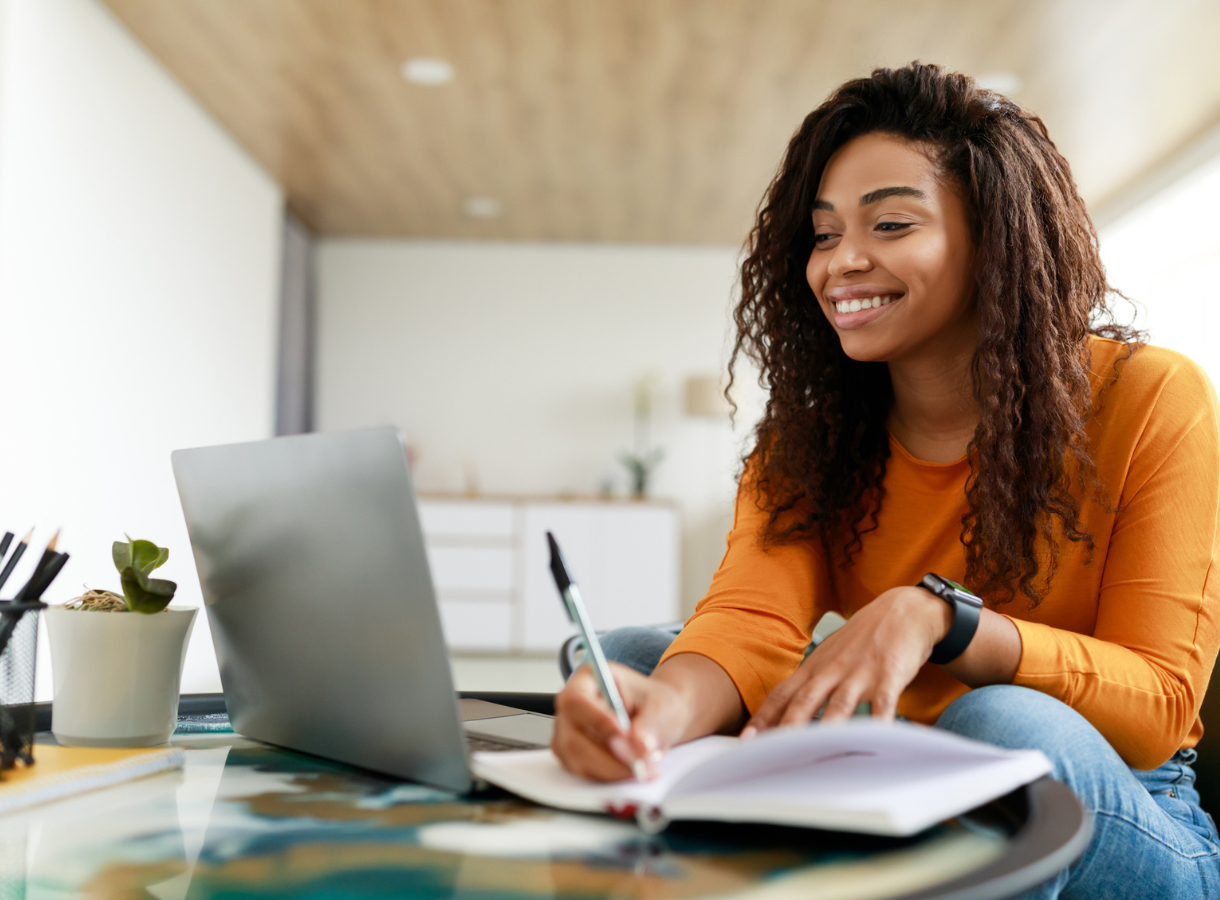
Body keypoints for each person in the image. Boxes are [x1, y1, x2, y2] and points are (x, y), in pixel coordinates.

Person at [552, 63, 1220, 897]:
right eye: (824, 235)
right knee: (637, 663)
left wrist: (943, 620)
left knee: (1001, 722)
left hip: (1125, 806)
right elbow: (750, 620)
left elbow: (1159, 706)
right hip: (896, 762)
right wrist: (661, 719)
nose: (843, 262)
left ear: (997, 238)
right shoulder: (811, 437)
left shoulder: (1153, 398)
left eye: (891, 224)